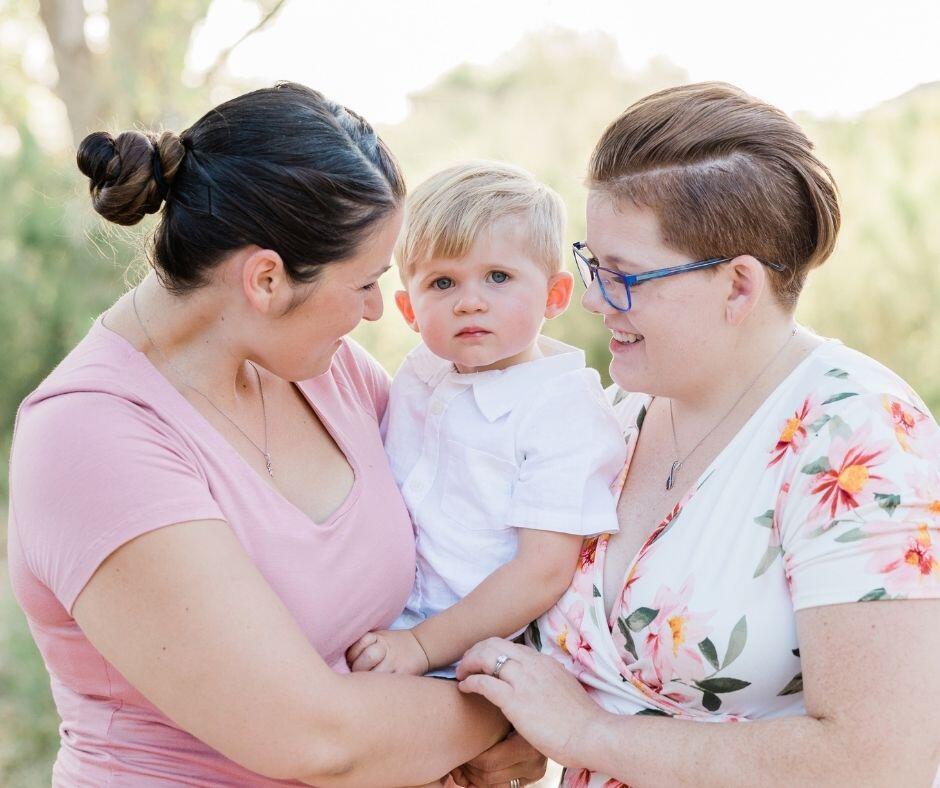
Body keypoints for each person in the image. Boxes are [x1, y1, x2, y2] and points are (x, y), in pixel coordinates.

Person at [6, 82, 533, 786]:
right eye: (366, 282)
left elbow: (476, 530)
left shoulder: (331, 371)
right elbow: (312, 739)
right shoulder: (89, 437)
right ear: (265, 279)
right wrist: (517, 710)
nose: (379, 310)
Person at [454, 82, 940, 787]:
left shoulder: (857, 436)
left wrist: (587, 734)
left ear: (738, 286)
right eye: (594, 265)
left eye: (623, 276)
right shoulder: (612, 418)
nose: (592, 299)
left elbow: (877, 758)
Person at [345, 162, 626, 678]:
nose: (469, 302)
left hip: (463, 655)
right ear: (409, 310)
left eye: (498, 277)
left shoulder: (563, 412)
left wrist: (423, 647)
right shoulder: (419, 371)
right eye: (443, 282)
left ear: (555, 296)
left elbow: (541, 571)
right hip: (375, 625)